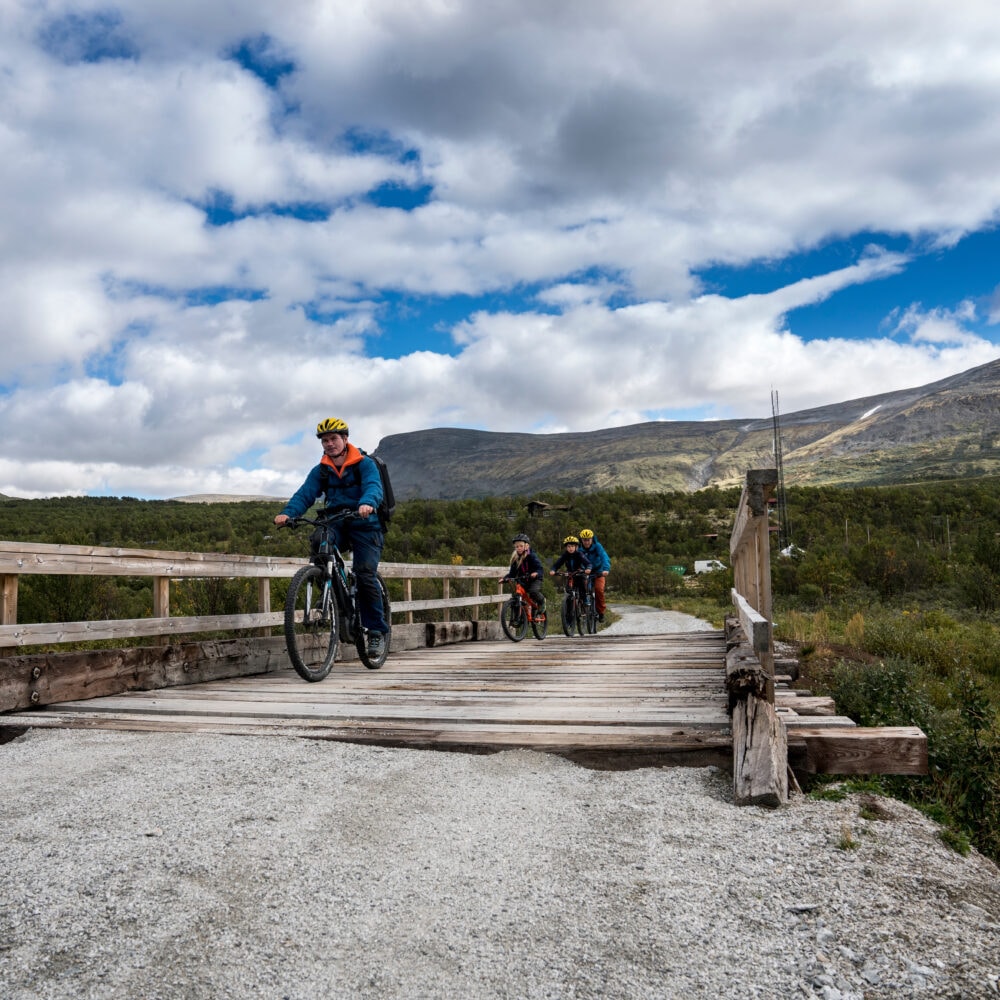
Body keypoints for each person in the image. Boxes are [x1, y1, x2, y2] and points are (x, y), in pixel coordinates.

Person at [274, 417, 390, 657]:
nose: (329, 444)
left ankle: (377, 632)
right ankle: (330, 596)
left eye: (333, 439)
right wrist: (288, 513)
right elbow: (305, 494)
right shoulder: (322, 471)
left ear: (345, 439)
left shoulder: (364, 464)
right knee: (319, 543)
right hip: (336, 521)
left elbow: (373, 487)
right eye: (325, 440)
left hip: (366, 524)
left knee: (364, 572)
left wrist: (368, 503)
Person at [499, 533, 546, 615]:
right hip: (524, 579)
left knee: (533, 591)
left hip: (535, 579)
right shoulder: (515, 558)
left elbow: (540, 568)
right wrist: (505, 578)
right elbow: (512, 574)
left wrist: (536, 573)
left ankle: (542, 601)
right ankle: (518, 616)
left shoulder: (531, 556)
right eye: (517, 547)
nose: (519, 548)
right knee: (517, 595)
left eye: (521, 546)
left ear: (526, 546)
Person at [578, 528, 610, 621]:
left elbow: (604, 557)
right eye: (584, 540)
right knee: (581, 587)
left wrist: (606, 569)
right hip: (585, 571)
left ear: (592, 539)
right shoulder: (579, 548)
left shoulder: (597, 546)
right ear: (581, 540)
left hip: (598, 571)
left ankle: (601, 612)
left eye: (588, 539)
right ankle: (583, 607)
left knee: (599, 590)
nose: (587, 542)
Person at [549, 535, 591, 604]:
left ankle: (585, 599)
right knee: (568, 590)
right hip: (570, 574)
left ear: (576, 547)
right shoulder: (565, 555)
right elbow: (557, 564)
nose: (570, 548)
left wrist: (588, 569)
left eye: (572, 546)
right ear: (566, 547)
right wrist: (553, 570)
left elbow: (588, 563)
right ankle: (568, 609)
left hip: (579, 572)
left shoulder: (579, 554)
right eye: (568, 546)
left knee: (582, 586)